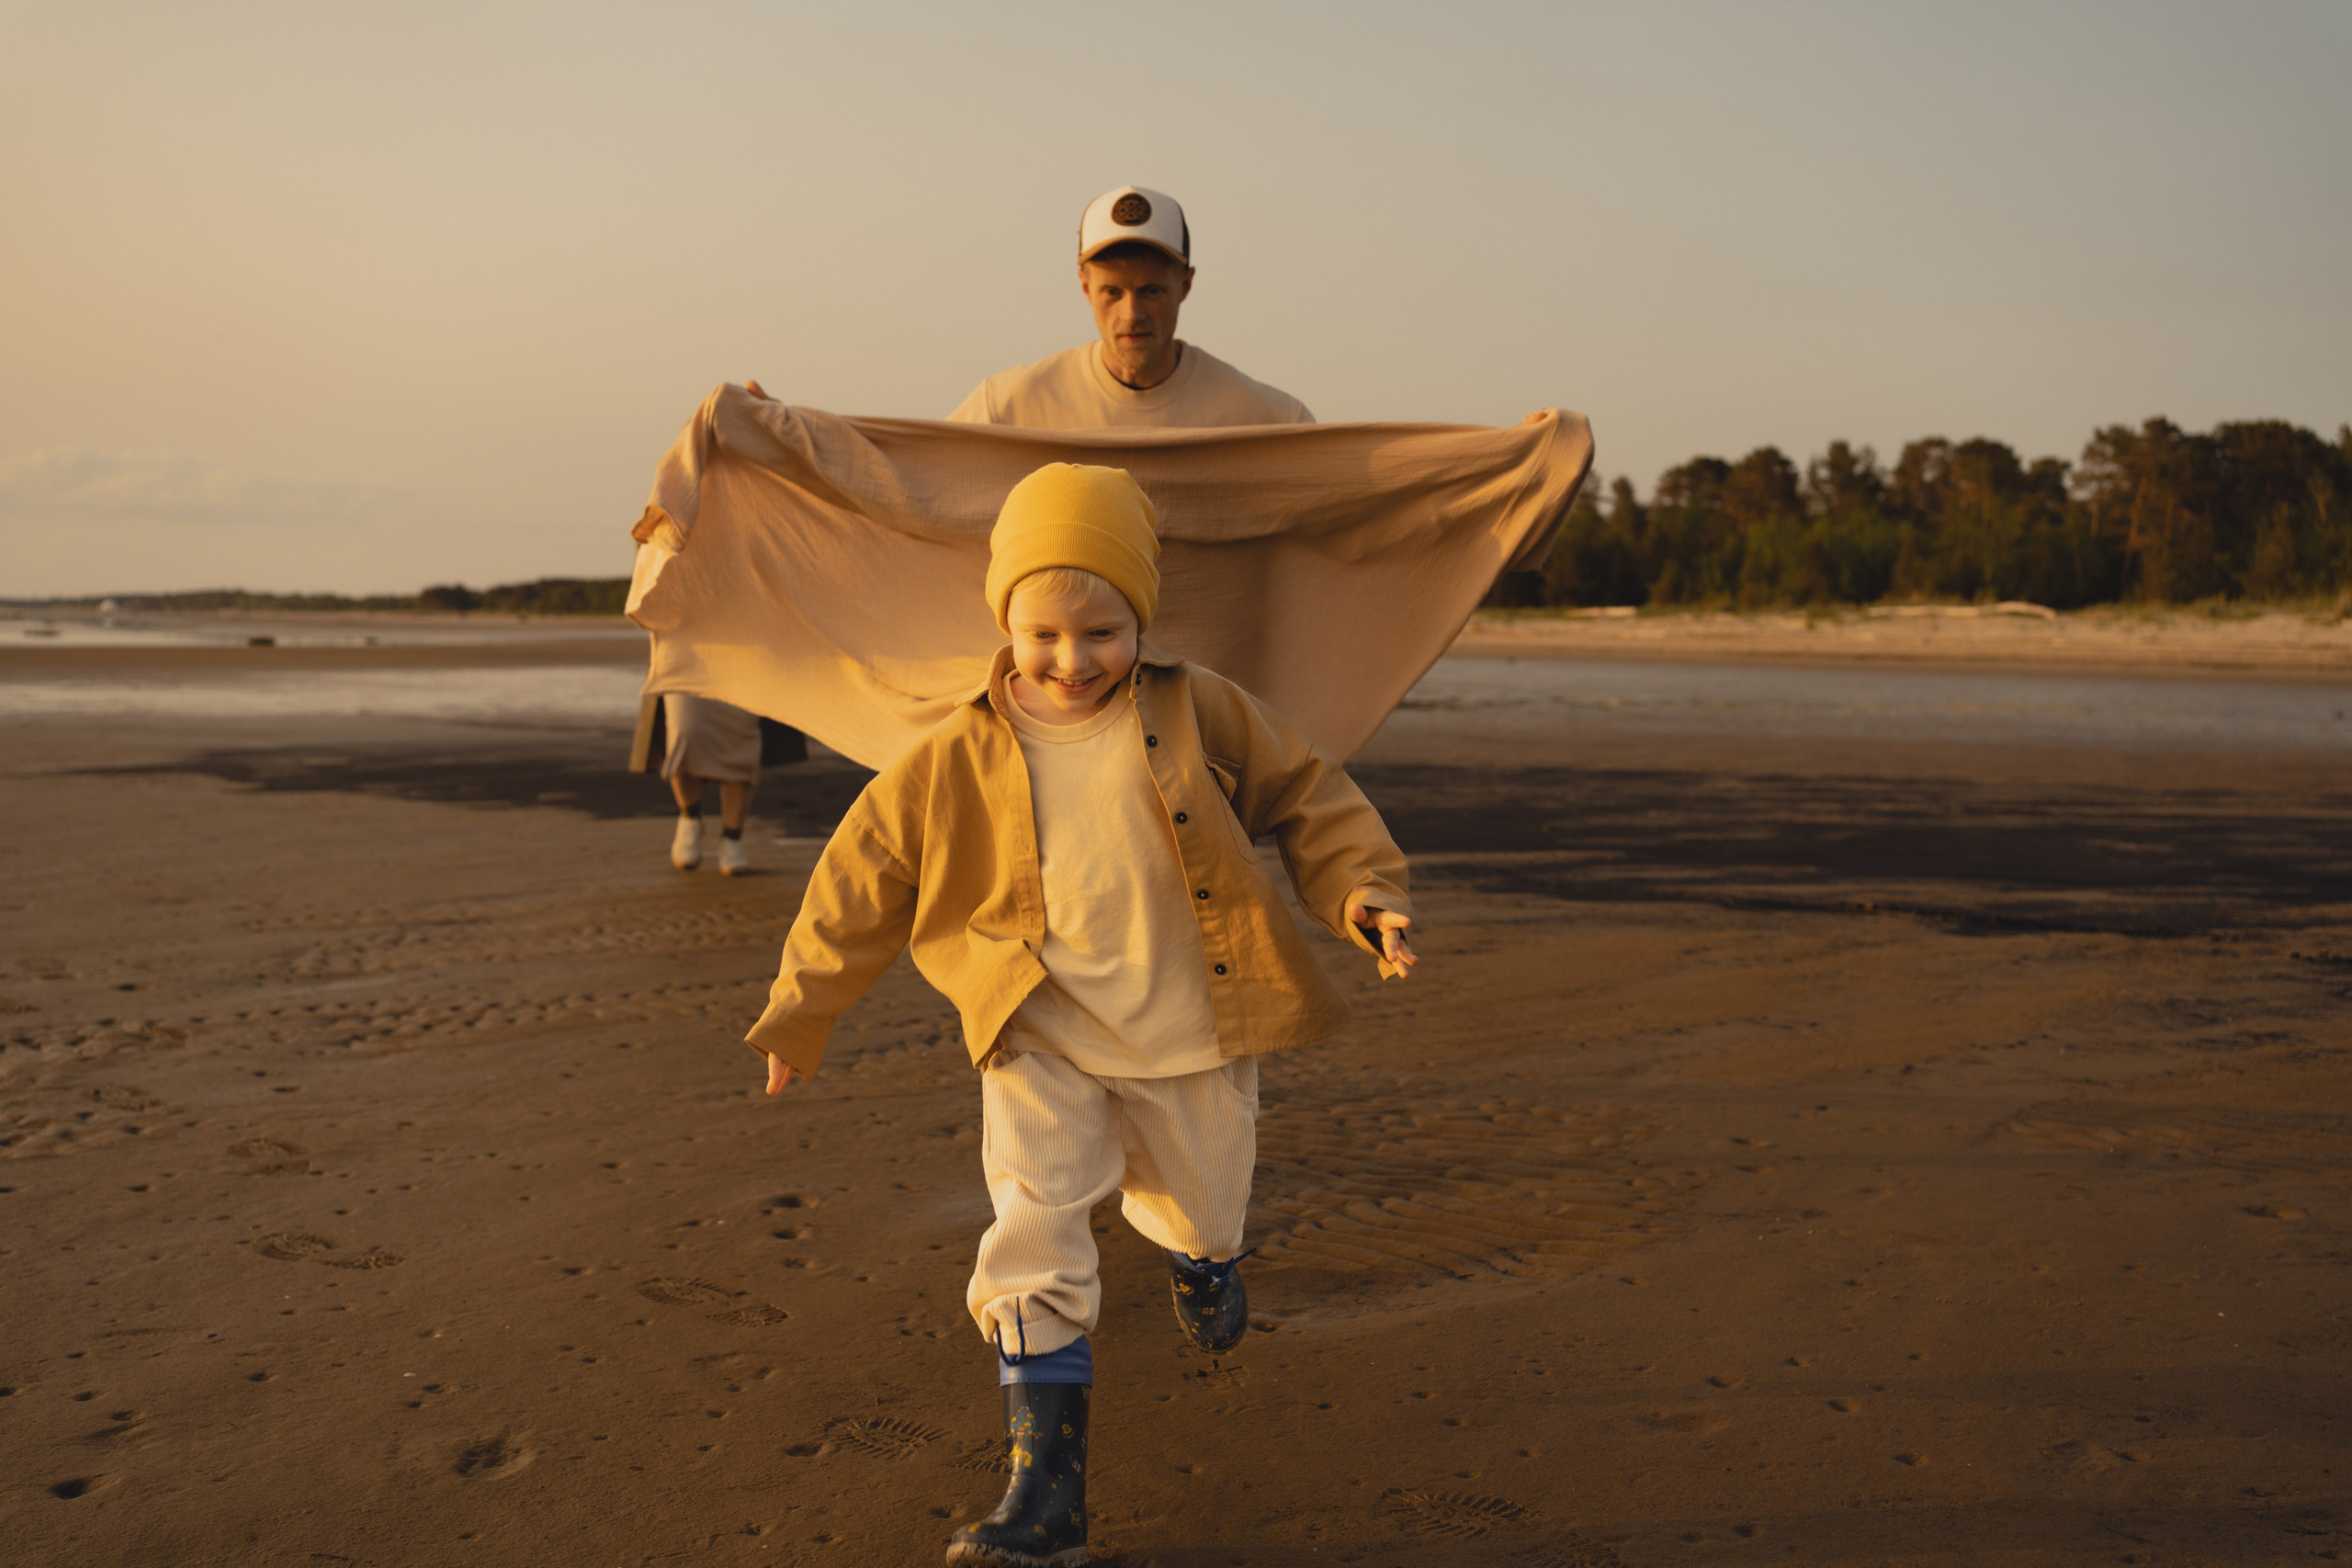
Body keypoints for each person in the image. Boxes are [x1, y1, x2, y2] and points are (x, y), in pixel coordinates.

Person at [744, 464, 1417, 1567]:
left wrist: (1363, 894)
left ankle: (1204, 1260)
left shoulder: (1198, 708)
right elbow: (860, 878)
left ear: (1139, 620)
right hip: (1036, 1032)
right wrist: (799, 1010)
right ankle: (1042, 1493)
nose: (1069, 659)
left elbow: (1309, 795)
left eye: (1099, 630)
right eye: (1042, 633)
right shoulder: (952, 753)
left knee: (1201, 1205)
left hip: (1190, 1030)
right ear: (1003, 621)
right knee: (1032, 1235)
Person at [946, 186, 1313, 431]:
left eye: (1151, 291)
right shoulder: (1006, 408)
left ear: (1185, 285)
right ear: (1085, 287)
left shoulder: (1269, 422)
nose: (1132, 314)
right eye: (1112, 292)